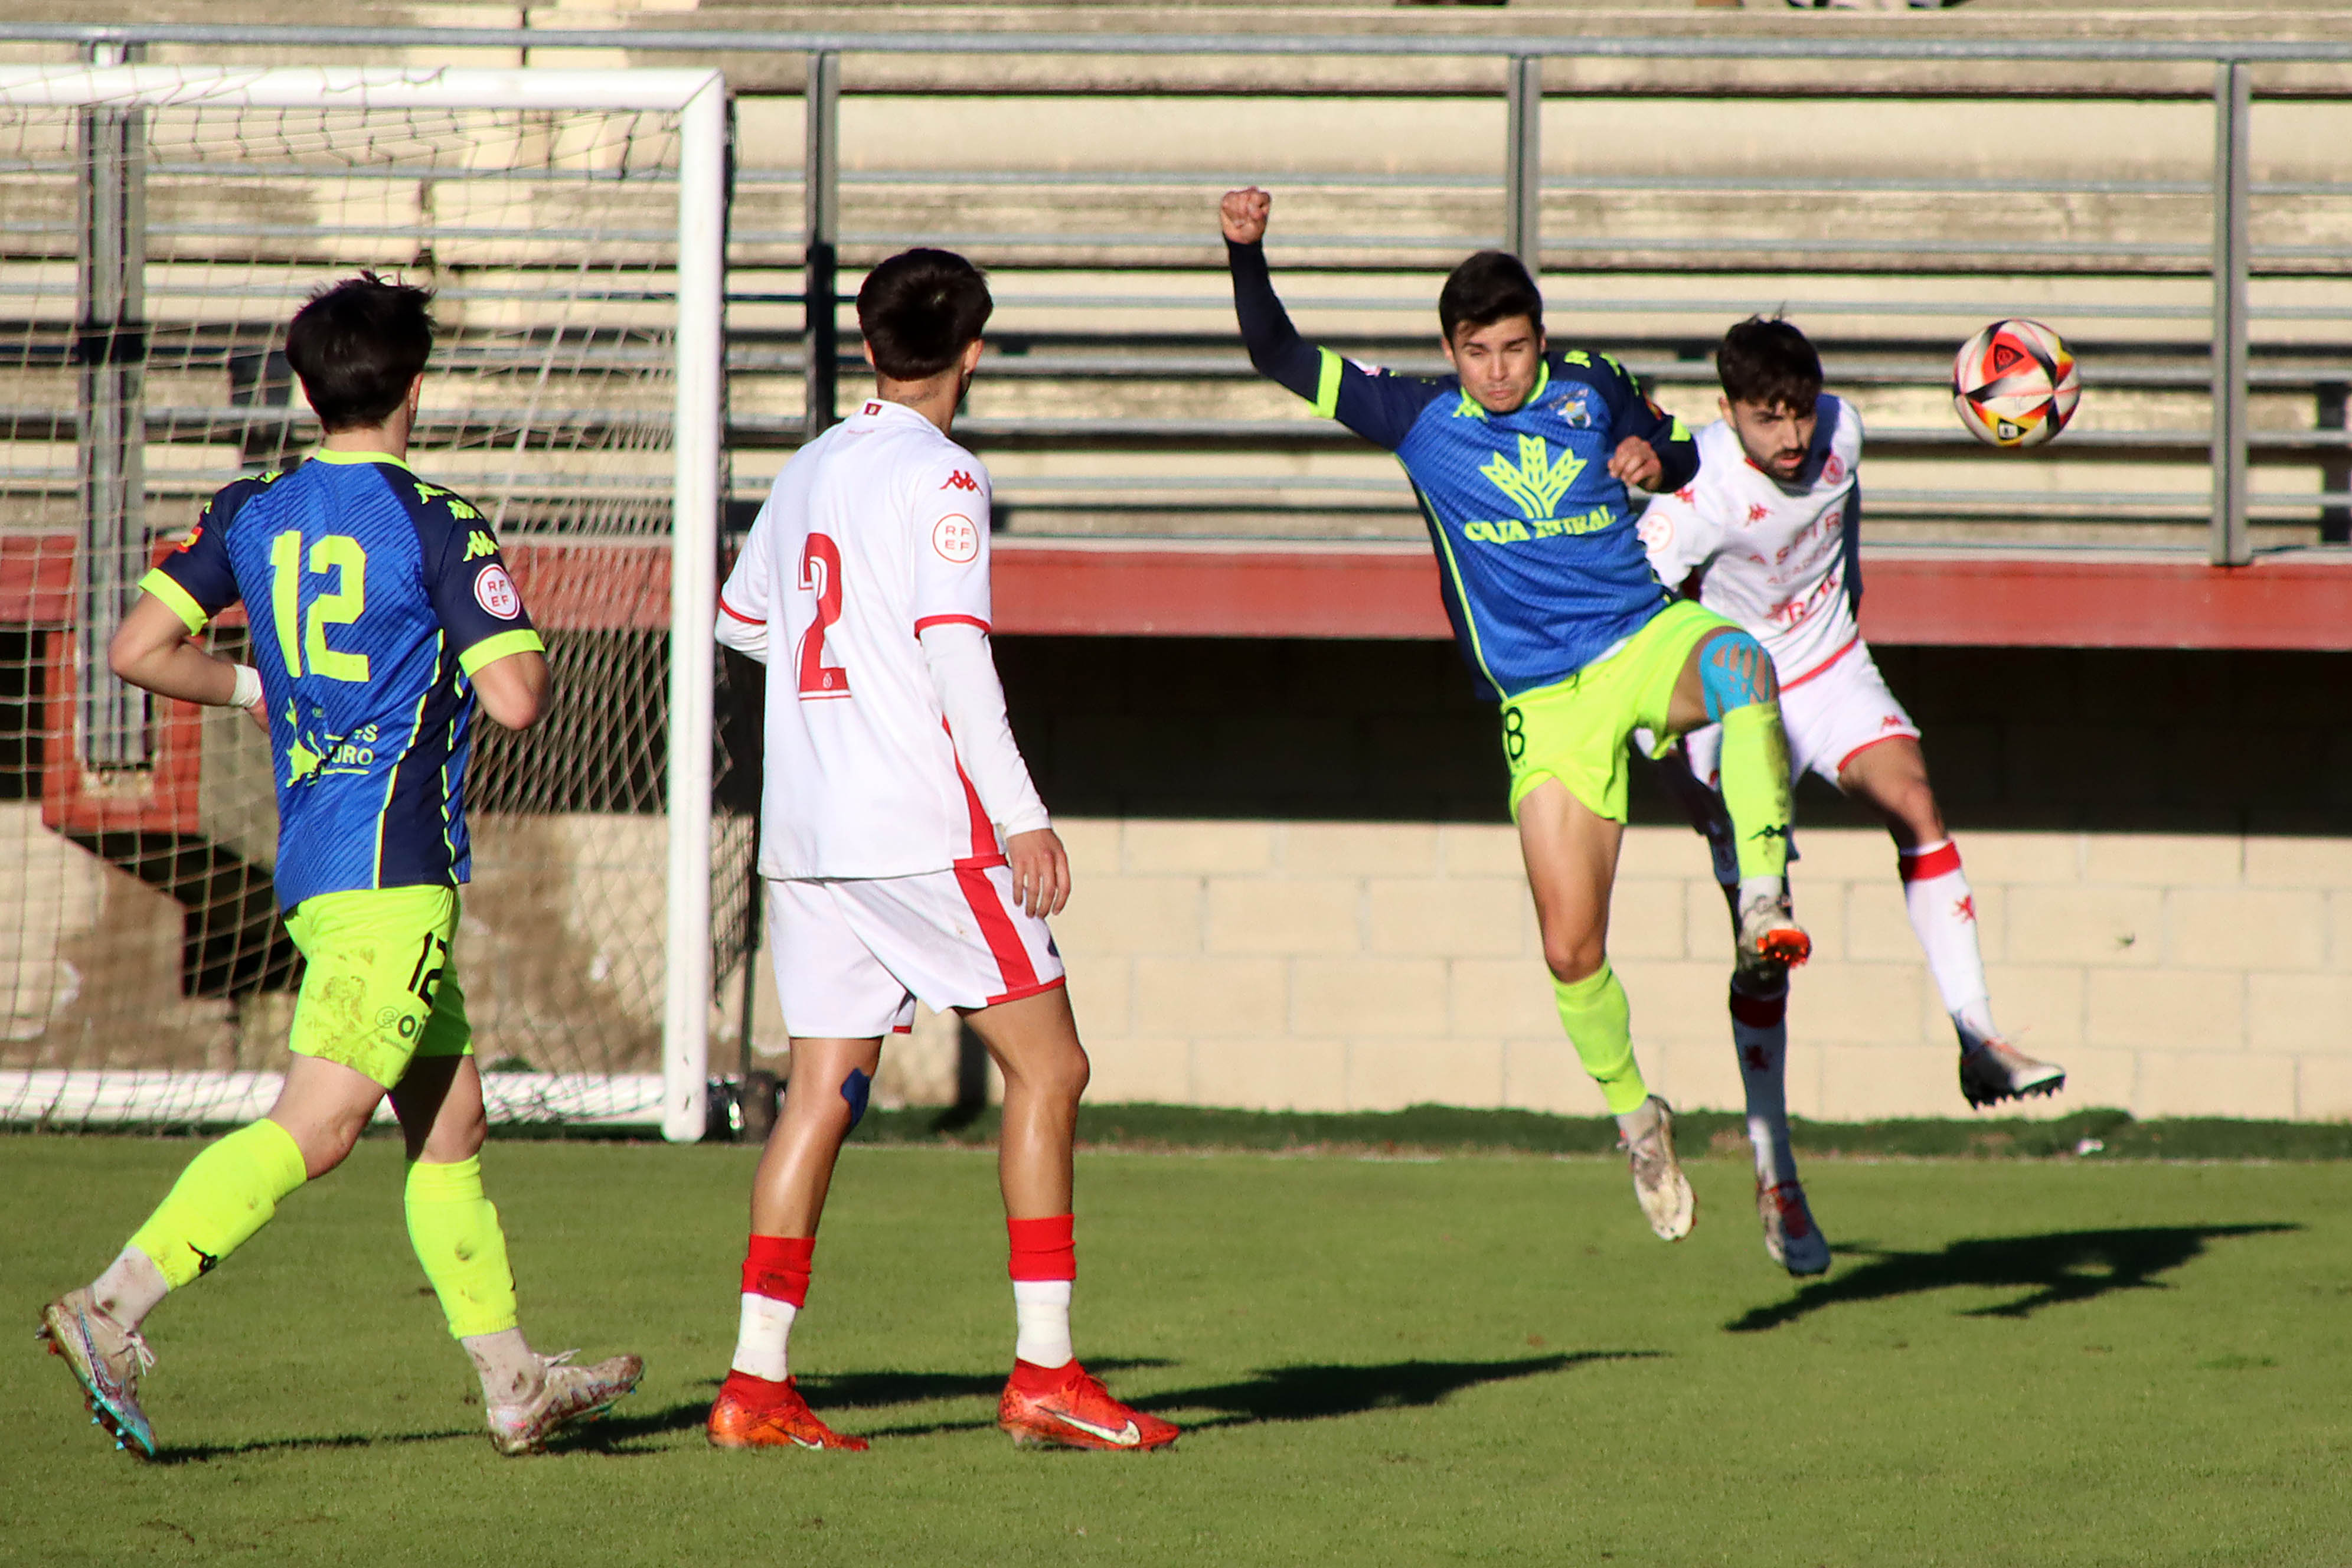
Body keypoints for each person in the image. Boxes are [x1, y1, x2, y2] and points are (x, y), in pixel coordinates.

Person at [37, 274, 642, 1457]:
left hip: (317, 855)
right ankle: (111, 1306)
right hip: (394, 865)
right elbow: (517, 698)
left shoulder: (252, 510)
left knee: (451, 1116)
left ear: (308, 389)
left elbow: (137, 648)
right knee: (319, 1125)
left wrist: (258, 682)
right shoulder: (435, 520)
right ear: (416, 385)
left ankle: (513, 1379)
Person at [1222, 187, 1811, 1243]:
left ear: (1544, 342)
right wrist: (1246, 254)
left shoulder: (1592, 387)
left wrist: (1655, 462)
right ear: (1450, 351)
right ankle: (1639, 1119)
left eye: (1515, 347)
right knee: (1572, 951)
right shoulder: (1416, 418)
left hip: (1639, 638)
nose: (1499, 370)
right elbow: (1277, 353)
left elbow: (1679, 452)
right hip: (1543, 701)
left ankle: (1762, 902)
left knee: (1743, 666)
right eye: (1477, 350)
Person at [708, 247, 1177, 1453]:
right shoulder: (947, 474)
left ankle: (755, 1382)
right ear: (975, 349)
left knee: (819, 1091)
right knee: (1054, 1069)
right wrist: (1021, 811)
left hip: (807, 831)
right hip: (919, 827)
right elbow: (958, 658)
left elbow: (741, 621)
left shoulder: (810, 465)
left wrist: (842, 681)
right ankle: (1046, 1370)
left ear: (869, 345)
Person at [1637, 315, 2068, 1276]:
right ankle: (1773, 1162)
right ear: (1727, 413)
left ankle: (1978, 1032)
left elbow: (1845, 526)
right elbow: (1633, 625)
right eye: (1765, 418)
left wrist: (1850, 618)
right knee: (1764, 955)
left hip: (1828, 666)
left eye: (1798, 412)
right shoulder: (1693, 495)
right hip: (1728, 692)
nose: (1789, 438)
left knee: (1918, 805)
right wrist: (1662, 740)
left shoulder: (1846, 434)